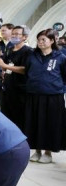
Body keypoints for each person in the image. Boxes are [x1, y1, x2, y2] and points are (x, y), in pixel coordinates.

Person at [22, 29, 66, 163]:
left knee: (51, 124)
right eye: (39, 39)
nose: (40, 42)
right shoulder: (32, 56)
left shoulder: (60, 57)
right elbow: (27, 71)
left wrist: (57, 87)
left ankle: (48, 152)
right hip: (34, 94)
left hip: (53, 96)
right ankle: (37, 150)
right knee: (34, 123)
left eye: (43, 40)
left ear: (52, 41)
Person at [0, 26, 32, 131]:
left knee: (19, 118)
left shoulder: (28, 51)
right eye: (13, 34)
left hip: (20, 90)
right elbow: (4, 65)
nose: (14, 36)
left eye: (17, 34)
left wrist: (6, 66)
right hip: (7, 88)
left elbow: (25, 69)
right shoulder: (10, 49)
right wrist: (2, 66)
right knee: (7, 116)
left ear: (24, 37)